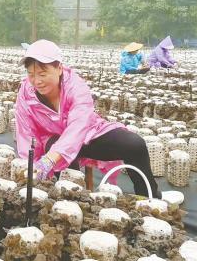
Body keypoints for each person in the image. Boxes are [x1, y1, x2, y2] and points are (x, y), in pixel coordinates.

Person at [14, 39, 160, 198]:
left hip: (86, 135)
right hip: (54, 141)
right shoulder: (26, 93)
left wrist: (50, 159)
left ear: (59, 68)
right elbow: (26, 133)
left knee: (134, 145)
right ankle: (72, 199)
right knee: (55, 150)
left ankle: (149, 196)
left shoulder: (76, 86)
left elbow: (79, 124)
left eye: (43, 74)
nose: (37, 81)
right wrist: (32, 167)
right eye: (31, 74)